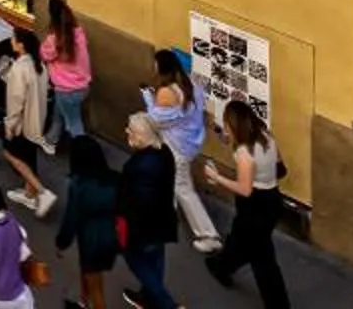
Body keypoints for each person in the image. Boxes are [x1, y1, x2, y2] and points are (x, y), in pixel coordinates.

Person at [202, 97, 291, 306]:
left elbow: (244, 189)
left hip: (254, 206)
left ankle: (278, 305)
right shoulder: (267, 137)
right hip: (272, 200)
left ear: (234, 126)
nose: (225, 128)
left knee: (263, 259)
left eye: (226, 125)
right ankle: (221, 265)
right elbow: (281, 169)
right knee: (243, 240)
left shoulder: (244, 153)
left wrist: (217, 178)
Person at [144, 47, 221, 253]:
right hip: (190, 143)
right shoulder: (192, 84)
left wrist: (148, 99)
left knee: (183, 188)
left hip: (176, 147)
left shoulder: (166, 93)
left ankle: (208, 234)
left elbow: (155, 121)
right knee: (169, 180)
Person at [0, 19, 58, 213]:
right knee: (29, 156)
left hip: (22, 122)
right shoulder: (38, 65)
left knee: (11, 153)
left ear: (21, 45)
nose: (11, 41)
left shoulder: (19, 69)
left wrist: (10, 125)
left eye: (14, 39)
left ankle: (41, 191)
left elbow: (15, 101)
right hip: (37, 119)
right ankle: (29, 194)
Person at [117, 111, 184, 309]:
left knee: (135, 260)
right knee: (156, 262)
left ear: (139, 137)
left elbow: (138, 204)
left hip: (145, 229)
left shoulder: (140, 166)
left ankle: (168, 305)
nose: (126, 132)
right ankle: (146, 298)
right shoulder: (164, 152)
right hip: (164, 221)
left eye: (130, 131)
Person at [55, 134, 125, 309]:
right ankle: (83, 301)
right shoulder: (115, 178)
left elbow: (71, 218)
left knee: (97, 289)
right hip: (111, 238)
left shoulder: (78, 185)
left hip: (90, 241)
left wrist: (62, 242)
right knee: (91, 275)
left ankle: (88, 302)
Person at [42, 0, 92, 150]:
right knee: (59, 112)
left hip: (66, 89)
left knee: (74, 124)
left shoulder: (53, 41)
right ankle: (51, 139)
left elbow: (44, 55)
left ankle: (84, 153)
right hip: (83, 87)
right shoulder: (80, 34)